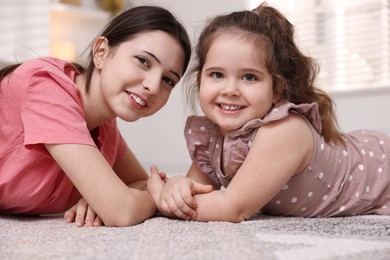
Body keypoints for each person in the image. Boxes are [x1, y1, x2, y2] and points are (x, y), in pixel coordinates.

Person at [147, 2, 390, 222]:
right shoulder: (211, 137)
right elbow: (197, 190)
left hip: (381, 169)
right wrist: (177, 185)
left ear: (276, 90)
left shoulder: (284, 130)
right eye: (217, 75)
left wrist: (161, 199)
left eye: (249, 77)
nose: (230, 89)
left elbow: (232, 208)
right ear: (200, 81)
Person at [0, 5, 191, 227]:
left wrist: (114, 196)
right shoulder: (46, 86)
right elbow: (122, 211)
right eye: (143, 61)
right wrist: (151, 200)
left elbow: (140, 182)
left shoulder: (104, 125)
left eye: (168, 80)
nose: (153, 86)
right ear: (101, 52)